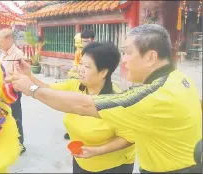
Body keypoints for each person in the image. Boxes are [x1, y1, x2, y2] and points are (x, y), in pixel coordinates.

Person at [10, 24, 202, 173]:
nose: (124, 60)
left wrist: (32, 89)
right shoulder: (179, 78)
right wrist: (32, 81)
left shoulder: (149, 96)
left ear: (151, 57)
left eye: (128, 52)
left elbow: (83, 105)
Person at [15, 42, 135, 173]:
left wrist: (97, 151)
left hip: (113, 166)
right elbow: (49, 92)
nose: (80, 69)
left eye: (87, 66)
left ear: (103, 72)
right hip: (81, 160)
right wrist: (29, 75)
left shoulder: (117, 101)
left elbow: (129, 137)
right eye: (81, 63)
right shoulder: (76, 85)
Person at [0, 28, 29, 155]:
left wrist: (6, 79)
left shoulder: (18, 55)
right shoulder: (3, 53)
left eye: (1, 42)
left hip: (13, 90)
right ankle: (9, 141)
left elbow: (21, 75)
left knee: (16, 117)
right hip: (3, 90)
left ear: (10, 39)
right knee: (4, 117)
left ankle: (20, 143)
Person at [65, 29, 96, 140]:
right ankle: (71, 129)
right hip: (79, 80)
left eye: (87, 41)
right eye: (83, 41)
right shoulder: (79, 52)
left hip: (93, 84)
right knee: (74, 104)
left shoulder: (98, 53)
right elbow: (76, 64)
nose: (85, 44)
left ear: (93, 40)